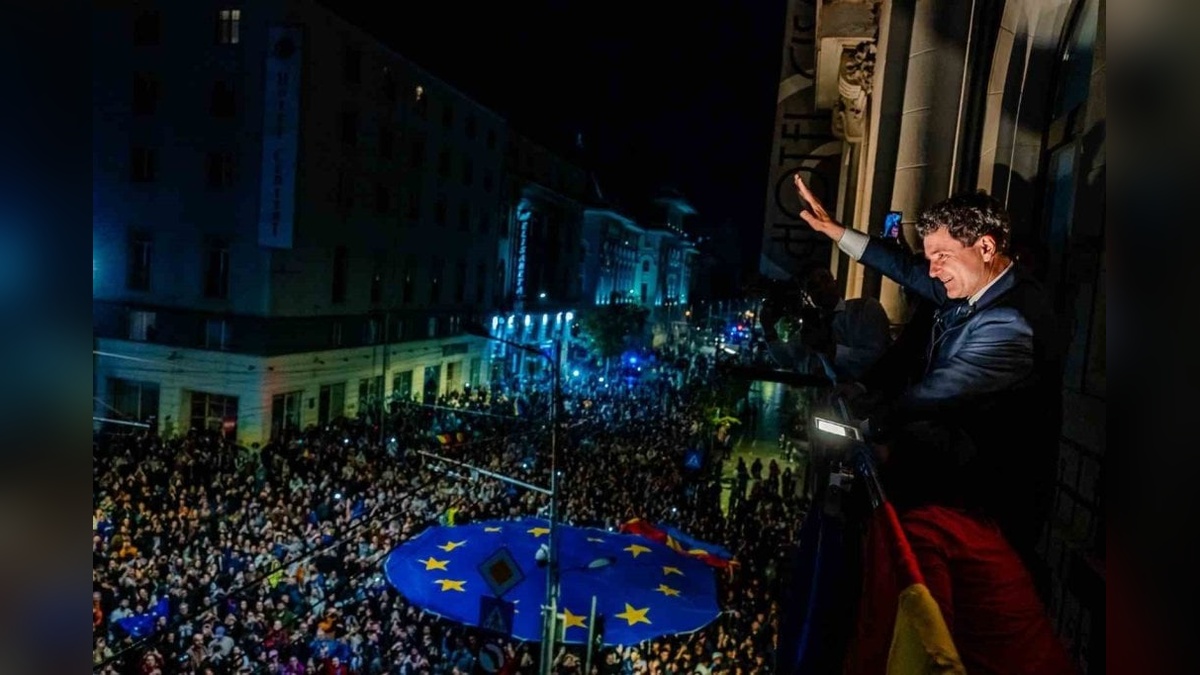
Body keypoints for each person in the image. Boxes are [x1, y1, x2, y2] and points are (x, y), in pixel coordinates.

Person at [794, 174, 1066, 581]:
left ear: (986, 247)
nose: (933, 271)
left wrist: (866, 423)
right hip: (953, 493)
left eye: (941, 256)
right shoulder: (978, 283)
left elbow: (934, 394)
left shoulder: (1012, 321)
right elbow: (903, 267)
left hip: (988, 516)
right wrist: (836, 231)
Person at [757, 265, 893, 383]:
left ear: (835, 282)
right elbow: (787, 358)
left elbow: (880, 358)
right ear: (808, 295)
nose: (822, 288)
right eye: (813, 286)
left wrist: (831, 350)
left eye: (825, 280)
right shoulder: (811, 327)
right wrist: (768, 329)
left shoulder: (864, 309)